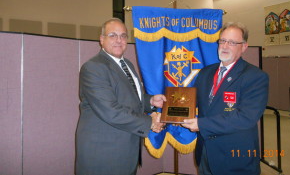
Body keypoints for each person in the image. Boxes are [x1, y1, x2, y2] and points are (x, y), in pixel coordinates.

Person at [75, 18, 166, 175]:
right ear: (101, 39)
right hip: (104, 154)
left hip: (125, 150)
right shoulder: (94, 68)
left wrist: (149, 100)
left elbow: (127, 97)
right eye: (113, 35)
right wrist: (149, 122)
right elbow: (110, 110)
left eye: (123, 36)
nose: (119, 40)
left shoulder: (127, 64)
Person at [182, 22, 269, 175]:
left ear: (244, 47)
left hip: (235, 158)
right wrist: (165, 105)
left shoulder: (255, 76)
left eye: (232, 42)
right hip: (205, 154)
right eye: (222, 41)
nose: (225, 46)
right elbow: (191, 101)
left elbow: (245, 117)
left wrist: (202, 124)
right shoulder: (205, 72)